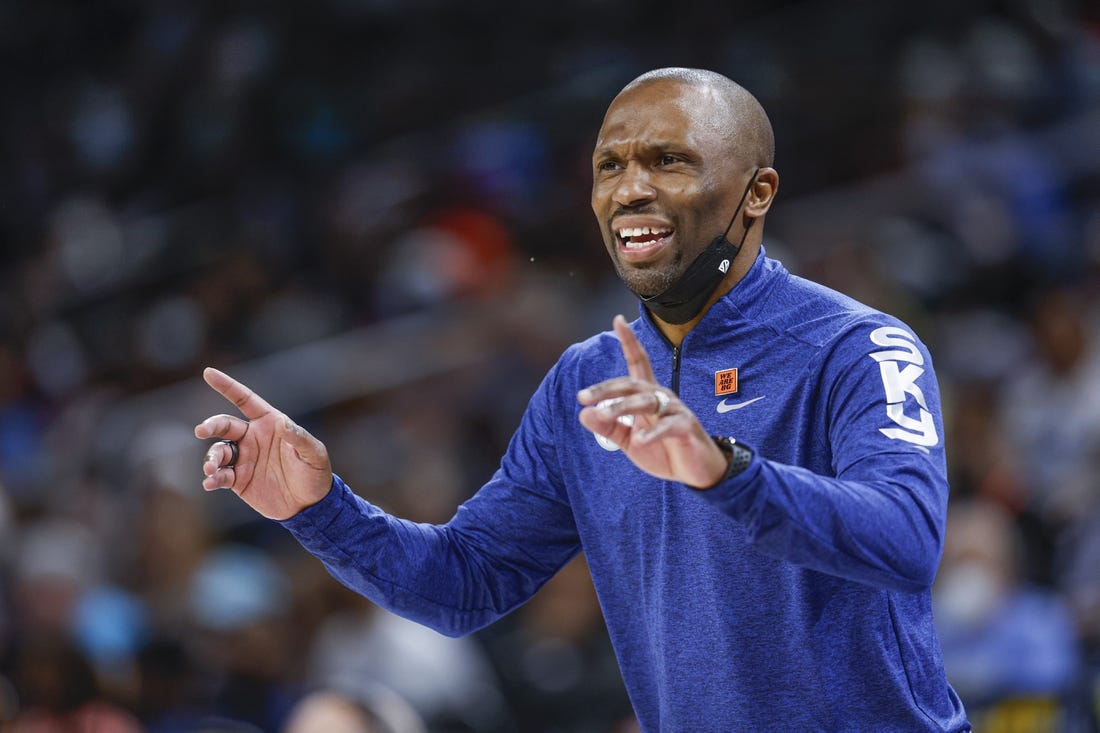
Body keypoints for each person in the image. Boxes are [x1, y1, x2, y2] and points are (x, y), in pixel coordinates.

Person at [195, 67, 971, 731]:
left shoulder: (857, 345)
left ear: (756, 191)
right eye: (609, 166)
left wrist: (726, 470)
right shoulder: (583, 380)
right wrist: (321, 508)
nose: (630, 190)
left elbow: (906, 539)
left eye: (668, 160)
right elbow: (465, 582)